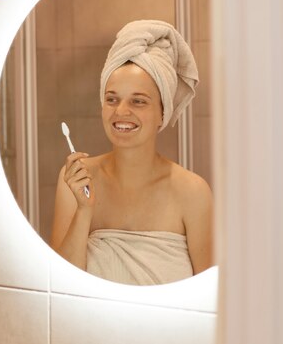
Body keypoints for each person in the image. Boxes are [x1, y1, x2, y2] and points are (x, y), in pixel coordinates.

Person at [50, 20, 213, 286]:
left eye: (138, 101)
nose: (121, 112)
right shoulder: (76, 180)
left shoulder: (193, 192)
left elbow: (208, 297)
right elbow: (61, 288)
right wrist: (83, 211)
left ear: (163, 112)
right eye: (112, 99)